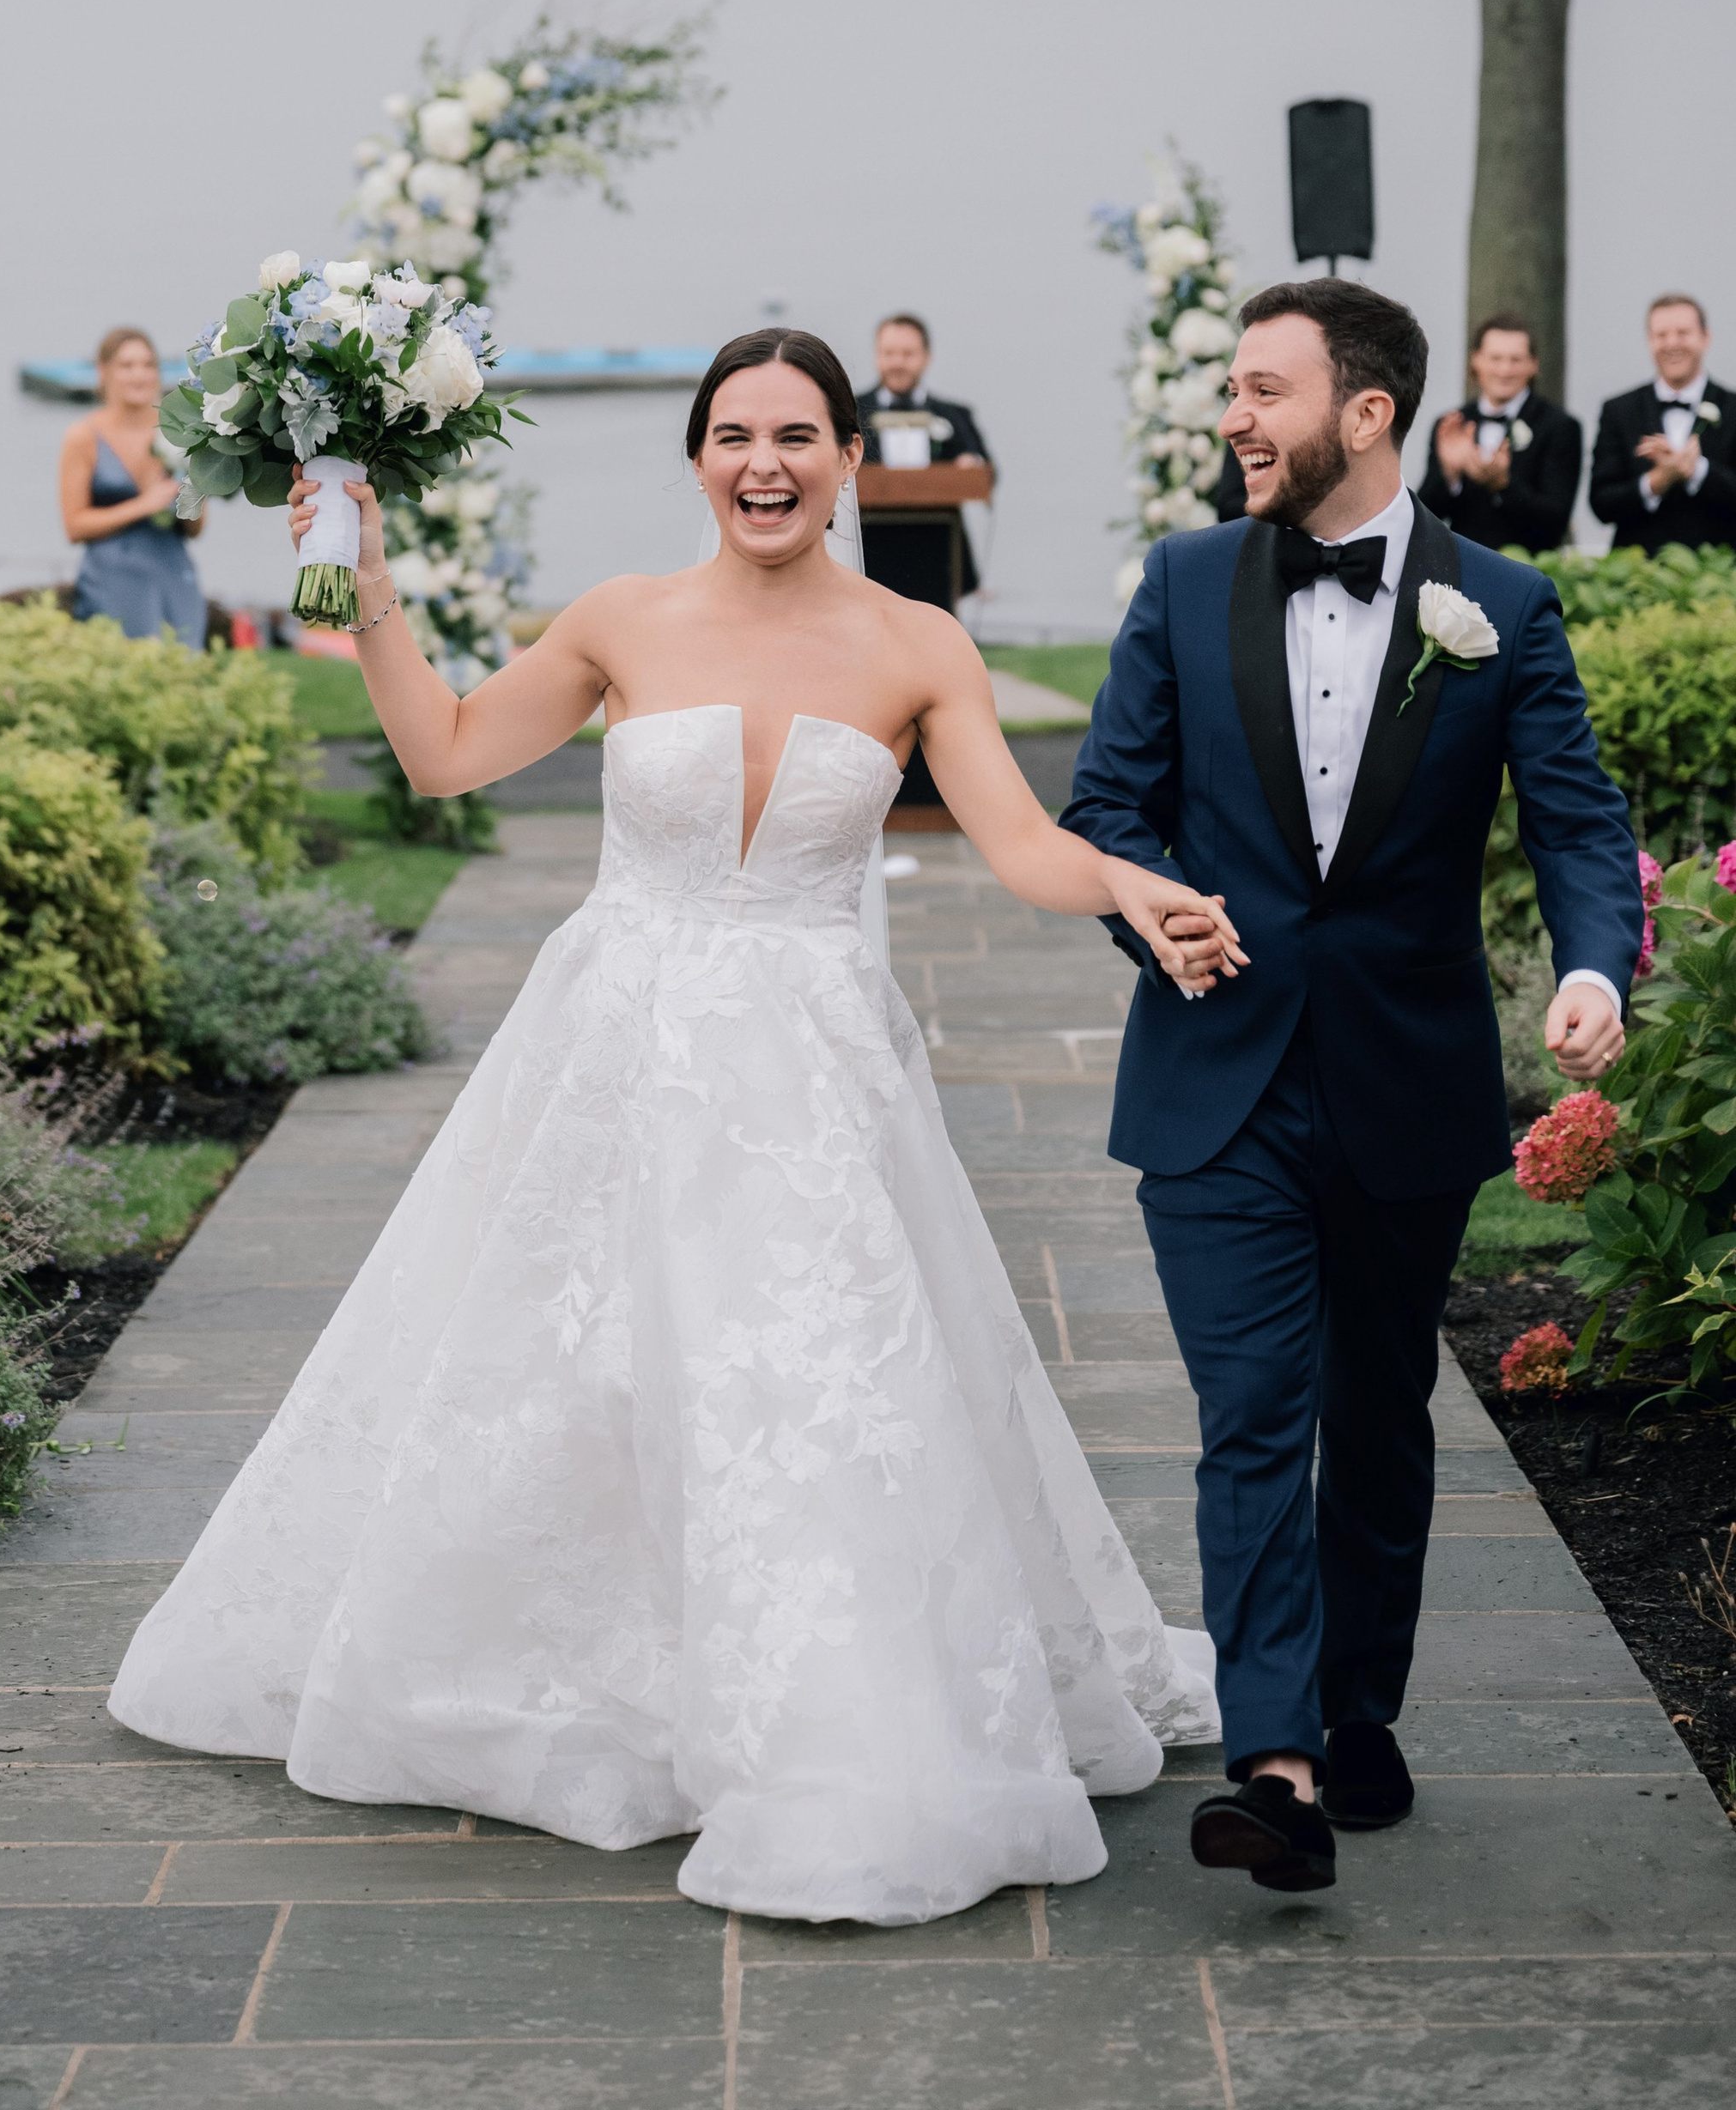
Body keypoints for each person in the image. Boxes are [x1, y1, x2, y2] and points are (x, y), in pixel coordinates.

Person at [109, 329, 1238, 1925]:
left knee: (808, 1383)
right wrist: (360, 574)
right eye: (732, 435)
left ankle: (829, 1716)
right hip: (613, 1056)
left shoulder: (918, 643)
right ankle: (588, 1676)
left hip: (812, 1087)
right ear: (697, 458)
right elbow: (444, 755)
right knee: (574, 1367)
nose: (763, 464)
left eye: (795, 435)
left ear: (852, 455)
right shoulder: (620, 620)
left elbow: (1025, 844)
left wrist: (1128, 884)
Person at [1064, 279, 1640, 1897]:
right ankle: (1278, 1761)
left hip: (1407, 1076)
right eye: (1229, 393)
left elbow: (1580, 826)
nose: (1231, 419)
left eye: (1261, 390)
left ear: (1365, 410)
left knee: (1379, 1417)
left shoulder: (1505, 608)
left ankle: (1357, 1708)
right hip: (1216, 1079)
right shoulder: (1180, 586)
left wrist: (1591, 974)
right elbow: (1113, 801)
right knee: (1254, 1416)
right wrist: (1155, 908)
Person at [60, 326, 207, 647]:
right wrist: (144, 505)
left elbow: (196, 529)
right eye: (127, 366)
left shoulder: (182, 434)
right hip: (112, 582)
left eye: (148, 365)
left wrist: (188, 491)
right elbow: (74, 526)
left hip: (173, 577)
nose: (139, 375)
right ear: (104, 372)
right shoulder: (83, 437)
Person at [1416, 312, 1581, 554]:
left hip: (1530, 570)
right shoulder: (1452, 424)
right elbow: (1424, 518)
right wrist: (1450, 475)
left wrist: (1503, 485)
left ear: (1533, 365)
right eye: (1495, 358)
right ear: (1476, 361)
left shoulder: (1560, 426)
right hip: (1462, 567)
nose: (1505, 370)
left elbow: (1555, 519)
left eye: (1515, 360)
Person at [853, 310, 992, 595]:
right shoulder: (850, 412)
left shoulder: (954, 415)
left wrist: (970, 465)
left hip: (937, 551)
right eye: (889, 353)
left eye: (907, 353)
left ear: (926, 357)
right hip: (871, 551)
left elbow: (987, 472)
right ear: (876, 355)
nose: (897, 362)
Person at [1587, 295, 1736, 556]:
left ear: (1706, 337)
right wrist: (1656, 481)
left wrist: (1697, 470)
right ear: (1649, 341)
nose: (1672, 344)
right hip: (1637, 574)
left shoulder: (1733, 408)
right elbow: (1601, 504)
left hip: (1722, 577)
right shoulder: (1618, 411)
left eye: (1682, 333)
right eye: (1661, 335)